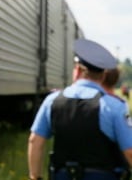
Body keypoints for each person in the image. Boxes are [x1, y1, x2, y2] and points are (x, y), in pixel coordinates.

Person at [28, 38, 132, 180]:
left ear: (77, 70)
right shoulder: (113, 106)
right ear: (103, 75)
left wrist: (35, 176)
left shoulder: (52, 101)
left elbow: (35, 141)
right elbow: (129, 151)